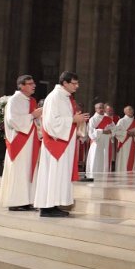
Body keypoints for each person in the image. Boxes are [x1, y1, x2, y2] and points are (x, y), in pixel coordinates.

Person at [33, 71, 89, 218]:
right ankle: (47, 207)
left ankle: (54, 204)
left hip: (64, 141)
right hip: (56, 143)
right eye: (74, 83)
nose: (77, 86)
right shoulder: (55, 97)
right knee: (53, 173)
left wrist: (75, 119)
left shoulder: (65, 97)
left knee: (58, 174)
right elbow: (50, 121)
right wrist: (73, 119)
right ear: (65, 83)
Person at [0, 75, 42, 211]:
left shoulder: (31, 100)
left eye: (34, 83)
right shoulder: (14, 100)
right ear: (21, 86)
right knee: (20, 170)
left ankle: (27, 200)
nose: (33, 86)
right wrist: (32, 115)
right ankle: (16, 202)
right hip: (19, 142)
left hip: (30, 140)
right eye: (30, 83)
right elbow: (13, 120)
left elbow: (35, 122)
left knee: (29, 170)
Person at [84, 103, 114, 180]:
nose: (101, 109)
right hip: (97, 143)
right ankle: (93, 174)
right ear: (95, 109)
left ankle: (104, 176)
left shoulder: (108, 119)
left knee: (105, 158)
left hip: (106, 142)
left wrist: (111, 131)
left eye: (102, 108)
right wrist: (102, 131)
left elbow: (114, 129)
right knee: (95, 158)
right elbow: (91, 133)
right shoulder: (92, 119)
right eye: (99, 108)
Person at [114, 106, 135, 173]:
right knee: (123, 158)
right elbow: (116, 131)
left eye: (132, 110)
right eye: (129, 110)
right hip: (123, 143)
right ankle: (121, 171)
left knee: (131, 158)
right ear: (125, 112)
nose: (131, 111)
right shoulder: (121, 121)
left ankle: (132, 171)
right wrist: (127, 133)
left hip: (132, 142)